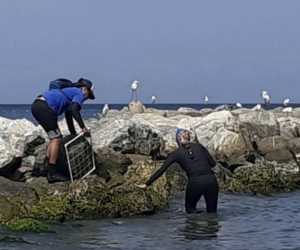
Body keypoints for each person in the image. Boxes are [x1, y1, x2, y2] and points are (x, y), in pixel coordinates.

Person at [135, 128, 219, 214]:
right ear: (189, 138)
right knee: (212, 213)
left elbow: (162, 169)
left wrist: (146, 184)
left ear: (177, 140)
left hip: (195, 182)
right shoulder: (199, 146)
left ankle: (196, 225)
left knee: (190, 209)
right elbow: (212, 164)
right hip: (211, 180)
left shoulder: (175, 153)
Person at [31, 78, 95, 184]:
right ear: (85, 89)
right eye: (89, 95)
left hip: (37, 105)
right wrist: (83, 128)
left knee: (53, 138)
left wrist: (73, 134)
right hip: (45, 107)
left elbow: (69, 117)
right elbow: (75, 109)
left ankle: (47, 169)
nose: (86, 98)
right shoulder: (79, 93)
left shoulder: (69, 93)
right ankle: (52, 173)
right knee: (56, 138)